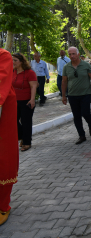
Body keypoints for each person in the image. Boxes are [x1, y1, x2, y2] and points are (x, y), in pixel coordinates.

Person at [62, 47, 91, 144]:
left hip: (85, 94)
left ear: (78, 54)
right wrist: (63, 96)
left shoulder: (86, 65)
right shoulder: (66, 67)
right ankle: (81, 135)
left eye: (73, 54)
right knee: (76, 116)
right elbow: (64, 81)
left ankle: (90, 125)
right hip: (72, 95)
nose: (72, 56)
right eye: (70, 54)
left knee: (85, 113)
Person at [0, 48, 19, 226]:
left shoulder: (2, 55)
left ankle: (2, 206)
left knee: (3, 158)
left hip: (3, 112)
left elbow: (1, 82)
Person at [12, 53, 38, 152]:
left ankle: (27, 142)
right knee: (13, 120)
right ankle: (22, 136)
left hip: (26, 101)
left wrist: (32, 100)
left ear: (22, 62)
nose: (13, 62)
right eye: (12, 60)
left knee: (26, 122)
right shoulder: (12, 71)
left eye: (15, 60)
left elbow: (33, 87)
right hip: (14, 101)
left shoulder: (29, 72)